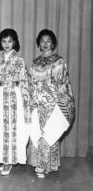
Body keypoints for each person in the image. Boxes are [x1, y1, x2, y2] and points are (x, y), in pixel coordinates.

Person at [27, 29, 75, 178]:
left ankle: (45, 166)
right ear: (39, 44)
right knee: (36, 132)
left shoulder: (59, 61)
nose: (45, 44)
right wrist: (31, 100)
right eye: (42, 41)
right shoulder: (35, 63)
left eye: (48, 41)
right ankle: (38, 164)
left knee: (50, 132)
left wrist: (56, 101)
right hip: (37, 103)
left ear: (53, 43)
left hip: (53, 103)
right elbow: (31, 83)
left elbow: (62, 83)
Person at [0, 29, 30, 176]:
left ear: (15, 42)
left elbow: (24, 81)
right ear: (0, 43)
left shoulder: (19, 60)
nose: (7, 44)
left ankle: (9, 161)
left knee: (11, 127)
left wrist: (26, 102)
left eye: (10, 41)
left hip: (13, 94)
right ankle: (3, 159)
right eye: (4, 41)